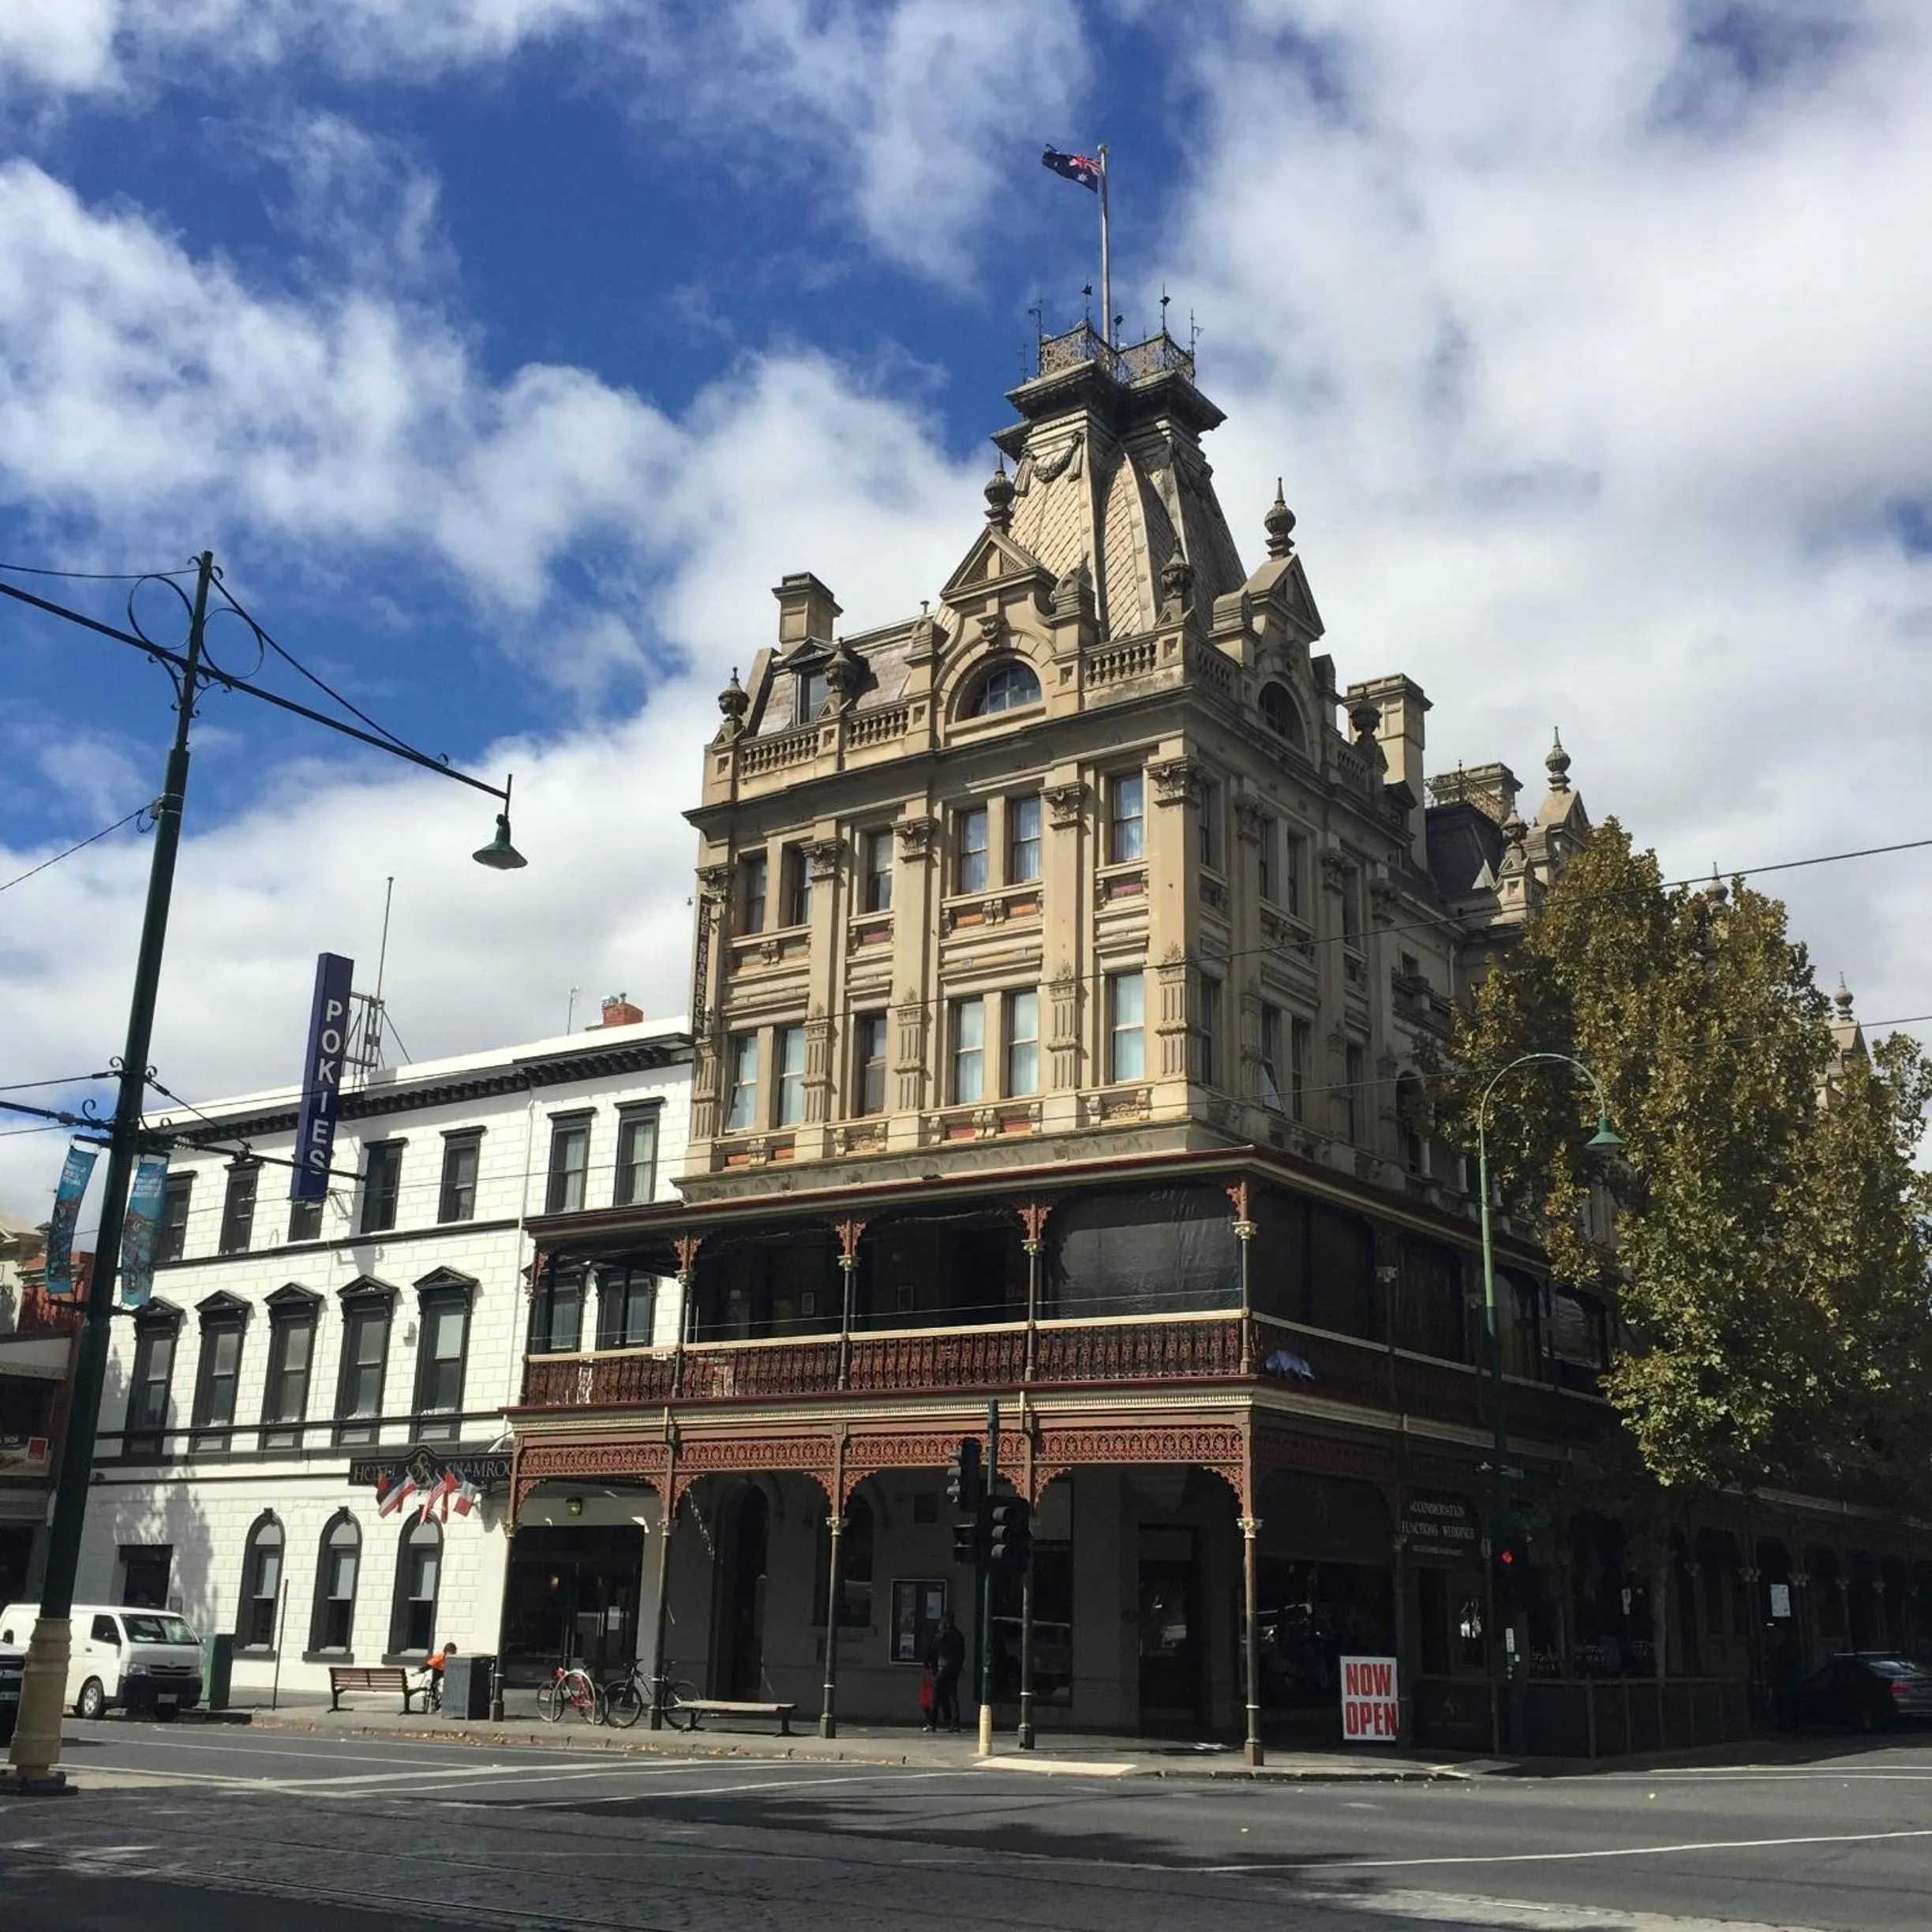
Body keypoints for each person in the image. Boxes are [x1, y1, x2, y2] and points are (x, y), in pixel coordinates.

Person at [924, 1612, 966, 1733]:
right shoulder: (959, 1635)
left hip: (943, 1666)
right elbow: (962, 1653)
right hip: (955, 1668)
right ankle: (955, 1723)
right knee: (953, 1695)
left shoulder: (941, 1635)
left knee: (936, 1694)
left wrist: (927, 1663)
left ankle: (932, 1723)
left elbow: (932, 1649)